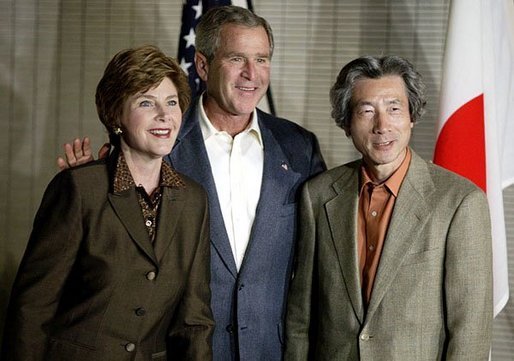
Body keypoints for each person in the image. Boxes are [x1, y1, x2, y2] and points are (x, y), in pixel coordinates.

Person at [56, 6, 326, 361]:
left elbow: (322, 255)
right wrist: (91, 183)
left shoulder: (298, 147)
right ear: (202, 65)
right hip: (176, 349)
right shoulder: (158, 140)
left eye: (261, 59)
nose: (252, 74)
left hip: (270, 350)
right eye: (236, 58)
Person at [2, 45, 214, 361]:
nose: (164, 115)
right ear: (116, 115)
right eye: (146, 102)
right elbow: (32, 309)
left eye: (171, 103)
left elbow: (194, 322)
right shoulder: (79, 188)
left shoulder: (193, 200)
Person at [284, 55, 493, 360]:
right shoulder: (317, 195)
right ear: (346, 123)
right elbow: (301, 318)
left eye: (394, 109)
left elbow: (470, 331)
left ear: (412, 116)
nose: (382, 125)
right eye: (367, 111)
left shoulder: (460, 201)